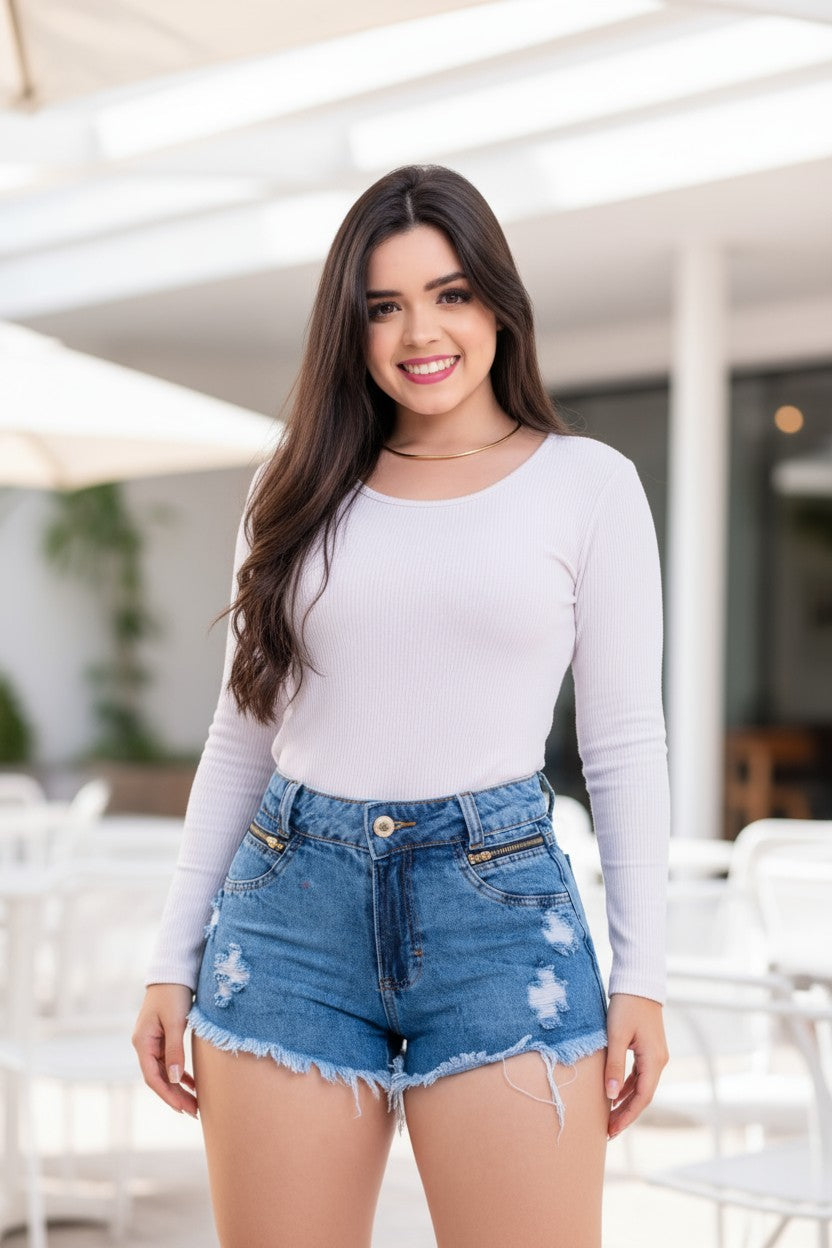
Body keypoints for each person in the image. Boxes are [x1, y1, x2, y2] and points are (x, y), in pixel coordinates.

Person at [132, 163, 670, 1248]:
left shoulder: (589, 485)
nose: (420, 331)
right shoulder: (293, 482)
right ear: (352, 327)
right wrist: (167, 956)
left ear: (498, 306)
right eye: (384, 306)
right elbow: (242, 732)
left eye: (450, 293)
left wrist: (644, 977)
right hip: (287, 919)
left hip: (500, 921)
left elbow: (621, 745)